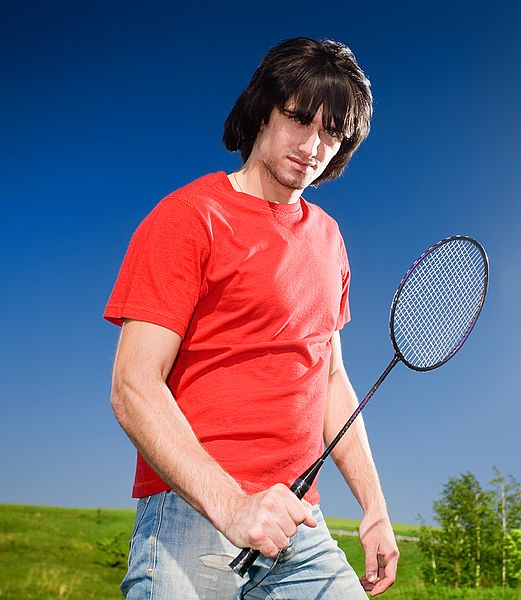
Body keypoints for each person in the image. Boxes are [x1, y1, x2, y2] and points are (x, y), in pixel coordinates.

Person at [104, 37, 399, 599]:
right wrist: (233, 506)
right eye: (298, 120)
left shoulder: (330, 240)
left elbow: (329, 378)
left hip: (297, 521)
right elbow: (132, 385)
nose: (313, 146)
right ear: (262, 108)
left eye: (332, 134)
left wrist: (375, 506)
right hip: (194, 515)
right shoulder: (188, 218)